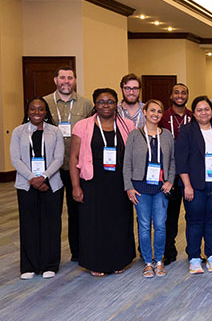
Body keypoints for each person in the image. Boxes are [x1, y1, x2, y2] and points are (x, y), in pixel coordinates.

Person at [70, 88, 136, 276]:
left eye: (110, 101)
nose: (106, 105)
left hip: (119, 183)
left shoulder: (127, 125)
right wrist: (75, 186)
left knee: (119, 222)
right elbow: (74, 158)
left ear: (117, 104)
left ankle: (119, 260)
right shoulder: (82, 126)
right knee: (93, 223)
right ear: (95, 104)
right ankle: (95, 263)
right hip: (92, 183)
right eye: (101, 102)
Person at [175, 96, 212, 275]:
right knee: (194, 221)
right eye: (199, 110)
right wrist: (187, 185)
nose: (204, 113)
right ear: (194, 112)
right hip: (195, 185)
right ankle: (194, 257)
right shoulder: (186, 131)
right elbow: (181, 160)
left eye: (206, 109)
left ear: (211, 111)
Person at [11, 97, 64, 280]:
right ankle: (29, 265)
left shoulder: (55, 132)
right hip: (26, 185)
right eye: (32, 109)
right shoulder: (18, 132)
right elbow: (15, 159)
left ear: (46, 112)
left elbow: (59, 158)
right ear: (27, 111)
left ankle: (50, 264)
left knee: (51, 224)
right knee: (29, 224)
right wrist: (33, 179)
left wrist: (44, 177)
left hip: (52, 184)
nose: (36, 112)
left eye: (41, 109)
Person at [43, 66, 92, 262]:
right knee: (51, 213)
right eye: (62, 77)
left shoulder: (86, 104)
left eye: (70, 78)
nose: (66, 81)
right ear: (55, 80)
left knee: (77, 212)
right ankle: (49, 256)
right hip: (50, 168)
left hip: (76, 167)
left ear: (75, 80)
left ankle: (78, 252)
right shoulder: (44, 103)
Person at [123, 99, 176, 278]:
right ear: (145, 112)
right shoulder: (135, 135)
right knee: (144, 225)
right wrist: (129, 187)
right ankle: (147, 262)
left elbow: (173, 161)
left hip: (162, 188)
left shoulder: (167, 135)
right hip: (140, 188)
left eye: (159, 111)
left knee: (160, 225)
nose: (155, 114)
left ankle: (159, 261)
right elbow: (127, 162)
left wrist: (170, 180)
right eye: (152, 110)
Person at [158, 83, 192, 265]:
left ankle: (192, 251)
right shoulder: (163, 117)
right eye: (176, 92)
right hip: (169, 174)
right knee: (169, 217)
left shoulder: (193, 117)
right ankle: (168, 252)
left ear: (188, 96)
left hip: (189, 174)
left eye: (184, 92)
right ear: (171, 95)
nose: (180, 95)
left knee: (192, 215)